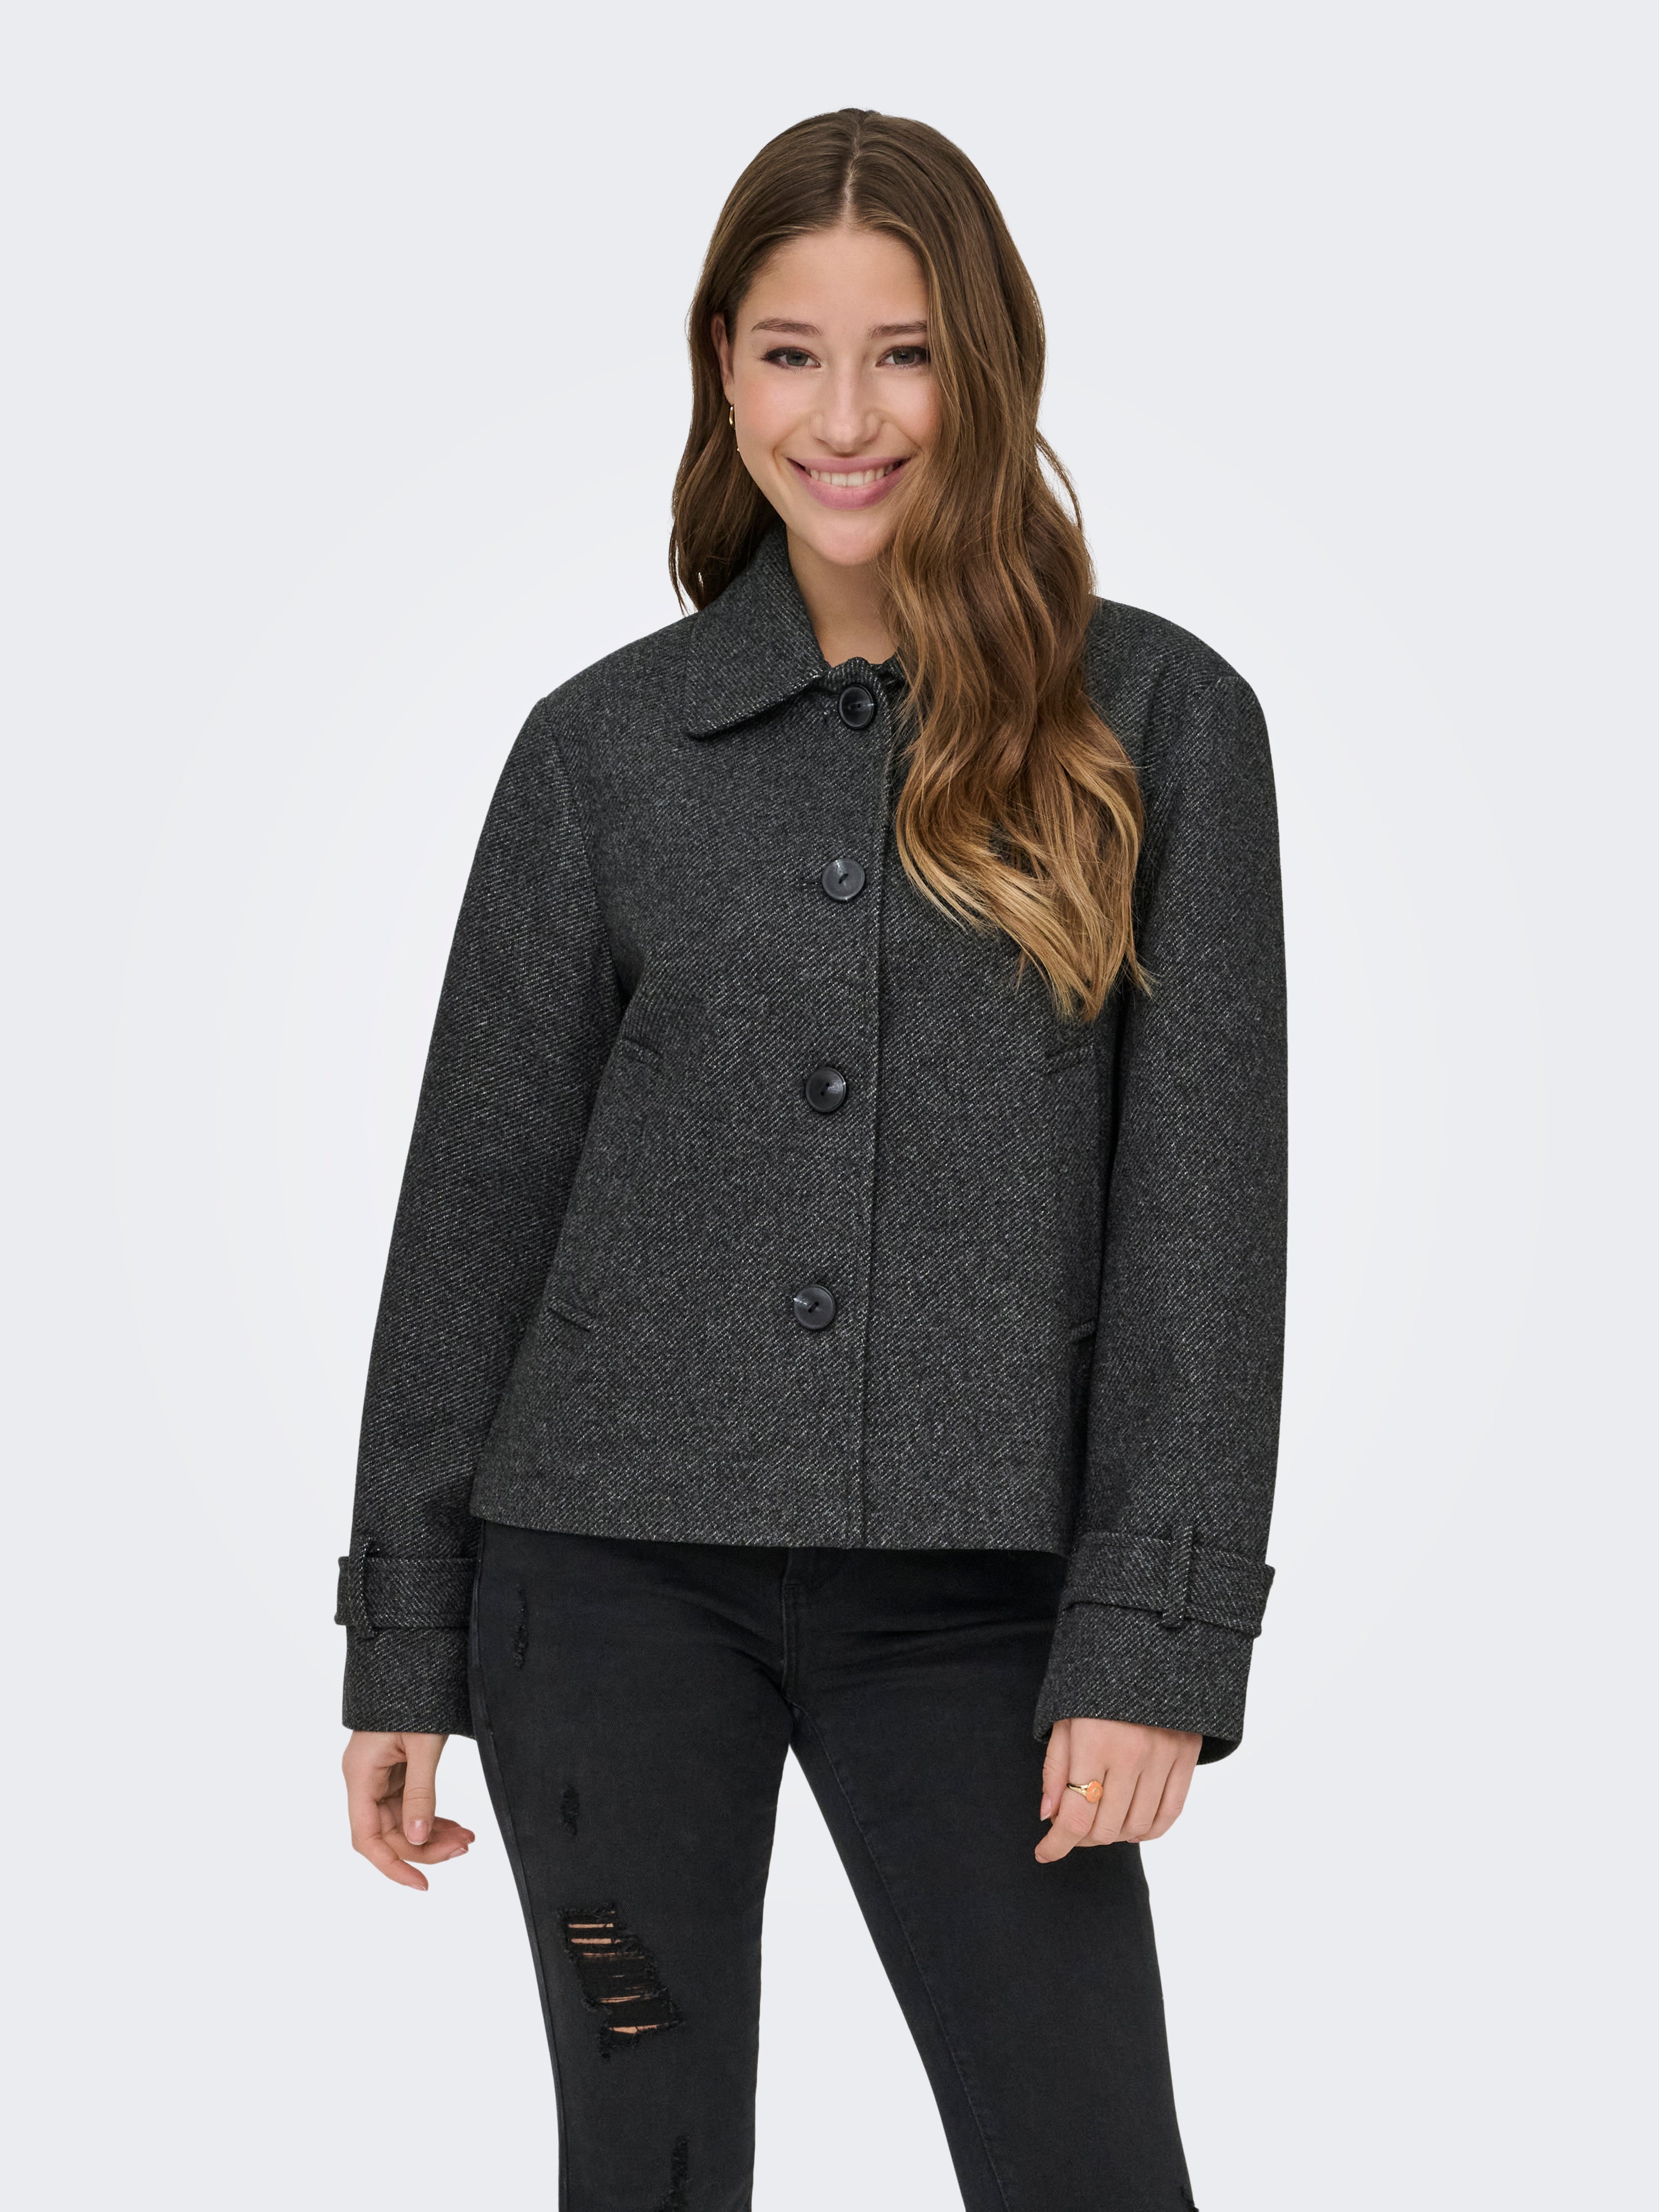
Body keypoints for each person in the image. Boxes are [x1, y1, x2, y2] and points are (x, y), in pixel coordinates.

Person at [337, 107, 1286, 2211]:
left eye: (904, 353)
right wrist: (404, 1637)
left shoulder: (1157, 724)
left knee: (1085, 2168)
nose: (843, 419)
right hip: (599, 1590)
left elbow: (1202, 1233)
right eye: (789, 353)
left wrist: (1151, 1645)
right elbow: (476, 1205)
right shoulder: (602, 750)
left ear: (987, 365)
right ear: (722, 367)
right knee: (645, 2163)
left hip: (981, 1601)